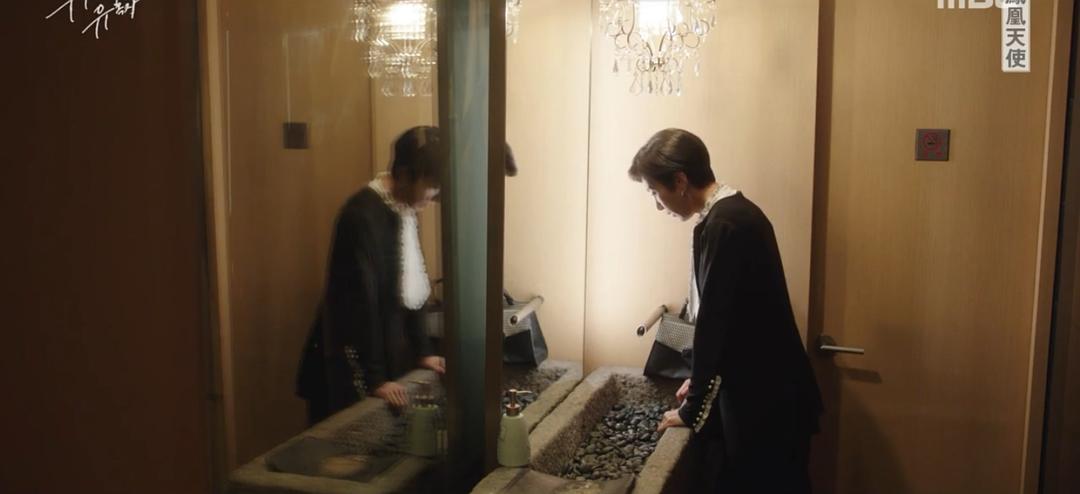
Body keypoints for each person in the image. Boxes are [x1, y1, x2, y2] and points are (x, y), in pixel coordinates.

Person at [636, 129, 823, 493]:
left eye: (655, 192)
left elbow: (715, 324)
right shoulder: (733, 214)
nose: (658, 205)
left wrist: (692, 407)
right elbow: (735, 318)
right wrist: (700, 383)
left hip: (765, 402)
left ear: (680, 181)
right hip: (771, 393)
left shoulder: (725, 224)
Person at [296, 126, 446, 425]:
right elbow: (358, 305)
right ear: (403, 175)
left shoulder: (405, 210)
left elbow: (415, 288)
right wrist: (375, 378)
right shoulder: (361, 215)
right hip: (349, 358)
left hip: (383, 352)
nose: (434, 195)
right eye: (430, 184)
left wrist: (424, 352)